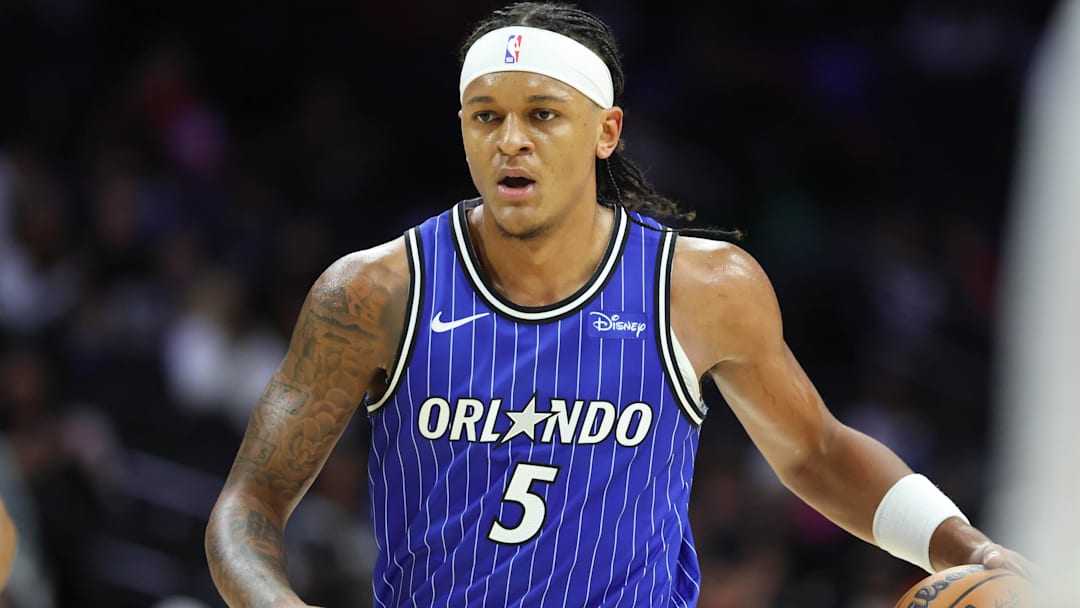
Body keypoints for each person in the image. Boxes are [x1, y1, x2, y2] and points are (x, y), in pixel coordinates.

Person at [205, 3, 1029, 606]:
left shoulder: (702, 287)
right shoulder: (373, 291)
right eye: (486, 117)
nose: (510, 140)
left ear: (606, 132)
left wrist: (966, 545)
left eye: (542, 115)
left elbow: (815, 451)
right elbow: (250, 503)